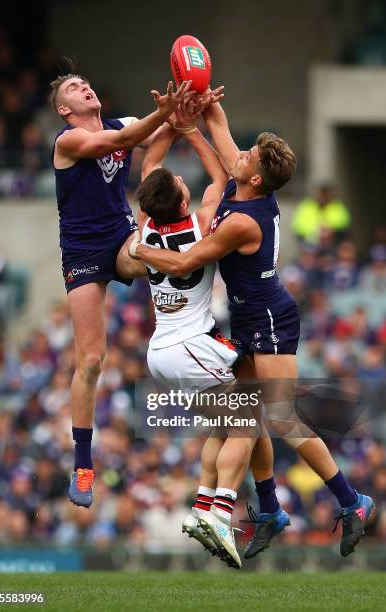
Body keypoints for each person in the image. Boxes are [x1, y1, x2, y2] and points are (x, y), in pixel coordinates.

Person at [130, 100, 374, 558]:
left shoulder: (242, 220)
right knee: (246, 415)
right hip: (243, 317)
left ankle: (350, 501)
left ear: (256, 177)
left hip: (270, 317)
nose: (239, 154)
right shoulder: (242, 185)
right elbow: (219, 130)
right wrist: (203, 105)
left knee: (280, 418)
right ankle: (268, 510)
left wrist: (141, 252)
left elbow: (183, 261)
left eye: (248, 157)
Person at [49, 71, 192, 508]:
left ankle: (201, 272)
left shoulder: (121, 124)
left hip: (119, 234)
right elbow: (121, 142)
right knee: (91, 359)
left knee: (149, 253)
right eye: (73, 88)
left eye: (86, 83)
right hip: (81, 250)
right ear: (64, 109)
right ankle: (83, 463)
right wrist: (162, 116)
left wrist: (187, 109)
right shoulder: (67, 141)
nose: (85, 87)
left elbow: (158, 134)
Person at [135, 98, 264, 569]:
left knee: (223, 424)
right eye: (179, 181)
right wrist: (189, 129)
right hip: (190, 347)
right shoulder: (202, 222)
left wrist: (169, 122)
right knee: (250, 418)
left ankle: (202, 508)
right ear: (182, 200)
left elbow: (150, 166)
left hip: (161, 350)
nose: (182, 178)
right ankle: (221, 512)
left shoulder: (146, 228)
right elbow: (221, 180)